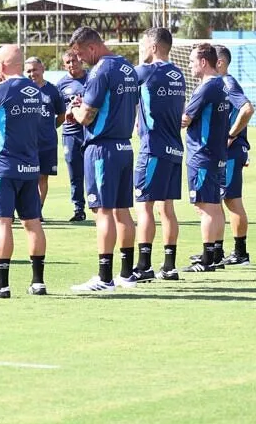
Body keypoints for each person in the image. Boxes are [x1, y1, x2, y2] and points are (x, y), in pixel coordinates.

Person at [0, 44, 48, 297]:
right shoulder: (36, 91)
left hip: (4, 167)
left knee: (1, 222)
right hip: (30, 166)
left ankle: (1, 285)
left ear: (2, 66)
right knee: (32, 223)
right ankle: (38, 282)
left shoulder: (1, 89)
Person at [66, 27, 140, 293]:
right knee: (122, 210)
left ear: (92, 48)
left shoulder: (100, 70)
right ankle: (127, 274)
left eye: (80, 53)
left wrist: (74, 109)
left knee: (103, 211)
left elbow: (86, 116)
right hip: (124, 146)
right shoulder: (128, 66)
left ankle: (104, 277)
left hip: (102, 148)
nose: (80, 59)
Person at [131, 27, 185, 282]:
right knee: (167, 208)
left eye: (143, 45)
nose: (141, 49)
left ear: (153, 47)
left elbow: (124, 82)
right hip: (174, 148)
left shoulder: (147, 71)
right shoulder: (179, 74)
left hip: (152, 148)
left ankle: (143, 266)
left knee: (144, 206)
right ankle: (169, 266)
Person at [180, 44, 231, 273]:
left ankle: (207, 259)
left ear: (203, 62)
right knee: (214, 205)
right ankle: (216, 254)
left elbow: (186, 119)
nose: (190, 65)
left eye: (192, 61)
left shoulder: (206, 88)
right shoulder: (221, 84)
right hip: (217, 153)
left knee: (205, 207)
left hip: (202, 154)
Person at [215, 45, 254, 265]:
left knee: (232, 200)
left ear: (220, 62)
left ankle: (240, 253)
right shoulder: (218, 84)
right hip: (223, 152)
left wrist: (231, 135)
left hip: (231, 151)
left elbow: (247, 109)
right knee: (218, 200)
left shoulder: (228, 84)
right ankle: (217, 251)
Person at [23, 56, 65, 211]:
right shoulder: (21, 90)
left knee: (42, 177)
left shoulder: (53, 90)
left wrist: (49, 128)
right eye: (28, 71)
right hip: (26, 142)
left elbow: (61, 115)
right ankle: (24, 208)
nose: (32, 74)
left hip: (47, 143)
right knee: (25, 177)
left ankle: (37, 209)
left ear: (42, 69)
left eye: (35, 70)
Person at [57, 50, 89, 220]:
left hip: (90, 132)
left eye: (74, 60)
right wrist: (69, 110)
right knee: (75, 173)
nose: (71, 64)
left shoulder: (92, 79)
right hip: (70, 134)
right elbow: (58, 110)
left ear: (80, 60)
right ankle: (78, 209)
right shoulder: (61, 84)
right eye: (68, 62)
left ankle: (101, 205)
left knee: (94, 172)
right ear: (64, 65)